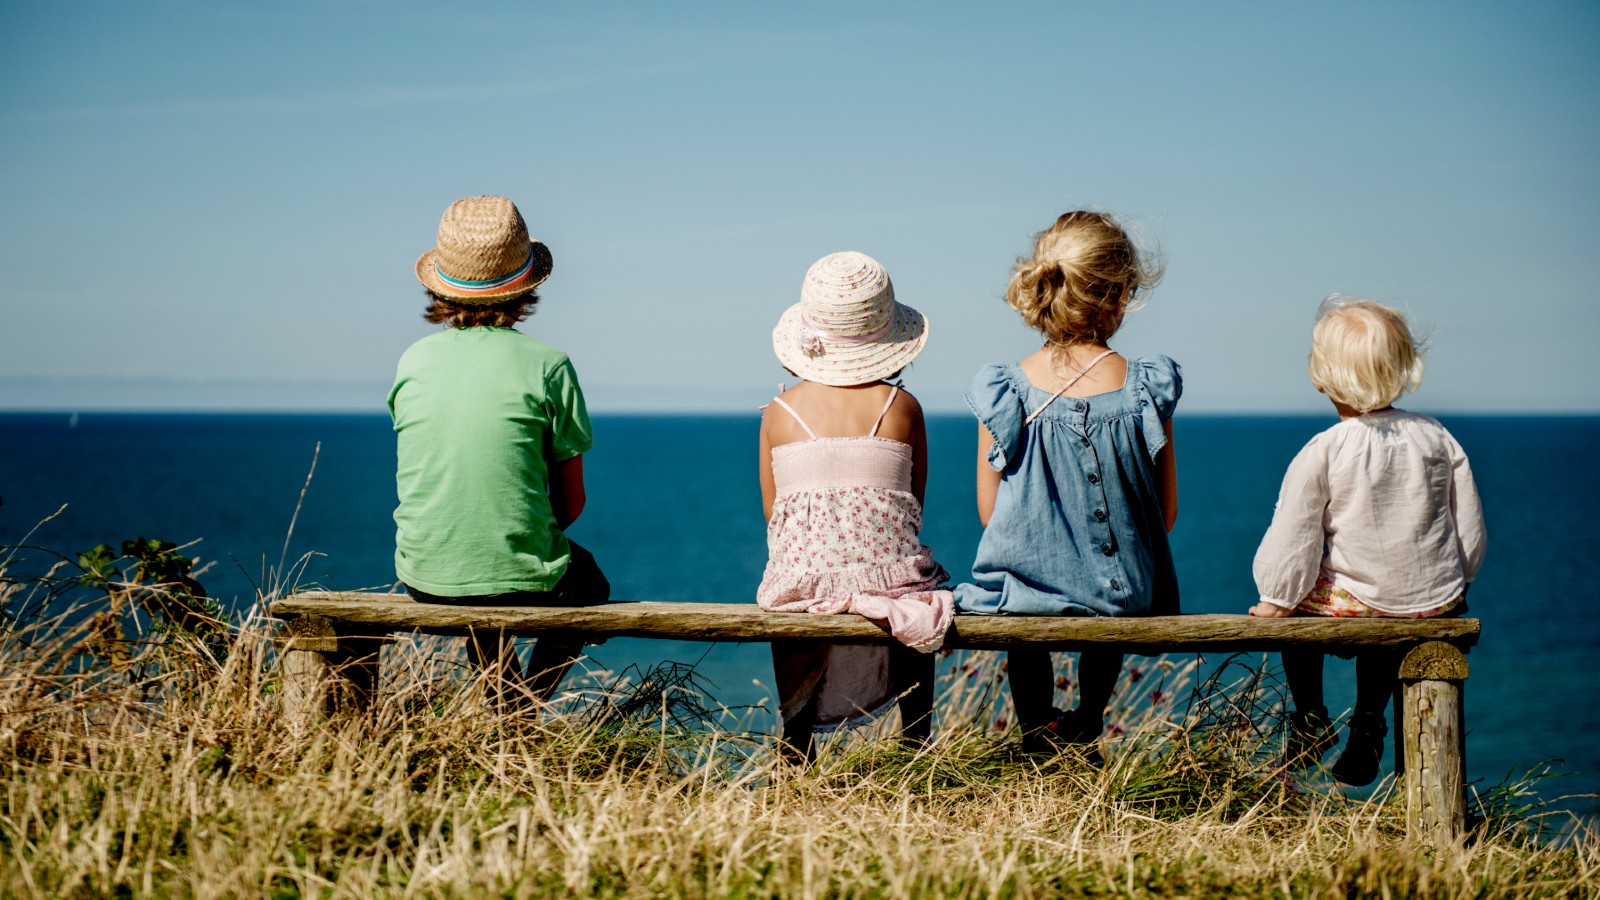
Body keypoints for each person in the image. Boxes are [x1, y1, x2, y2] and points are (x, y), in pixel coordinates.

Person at [953, 211, 1180, 753]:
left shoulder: (1003, 390)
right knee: (1111, 598)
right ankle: (1089, 715)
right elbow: (1164, 513)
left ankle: (1034, 724)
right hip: (1122, 596)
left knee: (1017, 596)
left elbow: (992, 516)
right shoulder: (1146, 387)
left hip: (1025, 594)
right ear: (1122, 294)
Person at [1249, 296, 1486, 785]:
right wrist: (1455, 584)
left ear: (1320, 377)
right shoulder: (1437, 437)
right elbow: (1469, 525)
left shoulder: (1326, 448)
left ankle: (1312, 717)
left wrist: (1276, 598)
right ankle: (1369, 719)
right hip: (1429, 604)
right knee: (1389, 614)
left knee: (1299, 615)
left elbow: (1294, 536)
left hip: (1357, 605)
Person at [390, 194, 609, 704]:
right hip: (517, 578)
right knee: (588, 584)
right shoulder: (548, 365)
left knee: (481, 578)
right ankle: (525, 705)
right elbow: (570, 505)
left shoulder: (413, 361)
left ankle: (501, 701)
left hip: (425, 574)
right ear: (525, 285)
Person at [757, 251, 955, 759]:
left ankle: (795, 744)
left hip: (805, 584)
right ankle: (917, 742)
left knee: (792, 572)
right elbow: (913, 507)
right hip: (888, 582)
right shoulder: (903, 408)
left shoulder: (779, 413)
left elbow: (775, 521)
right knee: (917, 582)